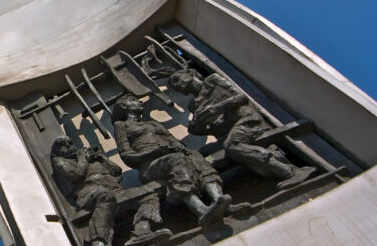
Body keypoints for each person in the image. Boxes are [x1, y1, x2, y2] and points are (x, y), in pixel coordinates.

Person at [169, 69, 314, 189]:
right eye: (175, 87)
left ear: (189, 73)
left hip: (247, 120)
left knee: (232, 145)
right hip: (227, 132)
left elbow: (241, 97)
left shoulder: (213, 81)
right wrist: (198, 126)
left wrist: (218, 108)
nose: (178, 85)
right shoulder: (193, 105)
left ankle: (290, 171)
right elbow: (205, 129)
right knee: (205, 155)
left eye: (177, 80)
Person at [112, 95, 231, 227]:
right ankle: (201, 210)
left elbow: (174, 141)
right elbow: (127, 156)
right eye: (133, 100)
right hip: (149, 166)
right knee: (176, 160)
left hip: (172, 157)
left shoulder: (152, 123)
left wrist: (180, 147)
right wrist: (153, 152)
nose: (140, 101)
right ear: (124, 107)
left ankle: (218, 200)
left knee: (195, 156)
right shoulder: (121, 126)